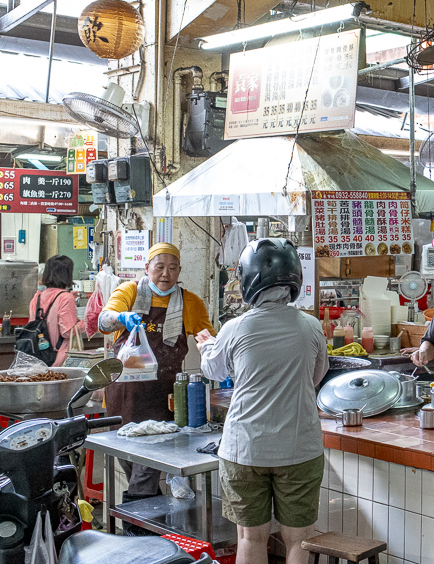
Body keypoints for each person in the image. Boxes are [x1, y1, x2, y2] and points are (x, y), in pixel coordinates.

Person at [198, 238, 328, 564]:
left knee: (250, 537)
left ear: (248, 279)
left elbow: (213, 368)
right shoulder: (311, 327)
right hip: (299, 448)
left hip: (245, 450)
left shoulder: (235, 328)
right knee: (300, 539)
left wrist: (206, 347)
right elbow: (316, 377)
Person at [98, 242, 213, 502]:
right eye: (159, 267)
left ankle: (136, 529)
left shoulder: (190, 302)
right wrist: (122, 318)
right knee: (133, 466)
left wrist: (215, 353)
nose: (165, 274)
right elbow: (103, 321)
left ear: (179, 270)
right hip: (124, 397)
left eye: (172, 268)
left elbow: (208, 340)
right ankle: (152, 521)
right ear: (147, 268)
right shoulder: (129, 291)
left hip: (163, 400)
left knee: (145, 472)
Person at [28, 255, 85, 367]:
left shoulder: (37, 297)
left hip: (38, 358)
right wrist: (86, 322)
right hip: (59, 359)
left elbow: (32, 326)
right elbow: (67, 331)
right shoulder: (65, 297)